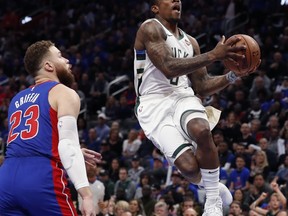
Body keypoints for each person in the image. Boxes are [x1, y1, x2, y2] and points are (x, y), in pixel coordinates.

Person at [133, 1, 259, 215]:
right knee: (189, 168)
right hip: (152, 105)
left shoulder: (191, 43)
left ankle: (212, 202)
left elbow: (202, 85)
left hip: (182, 96)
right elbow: (168, 67)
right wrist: (213, 55)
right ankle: (214, 187)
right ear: (155, 8)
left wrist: (232, 75)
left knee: (201, 129)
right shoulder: (150, 28)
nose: (177, 1)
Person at [0, 40, 102, 215]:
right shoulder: (64, 92)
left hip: (5, 179)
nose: (67, 61)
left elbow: (31, 141)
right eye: (60, 56)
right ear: (48, 65)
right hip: (40, 177)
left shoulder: (16, 99)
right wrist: (86, 195)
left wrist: (74, 153)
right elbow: (67, 145)